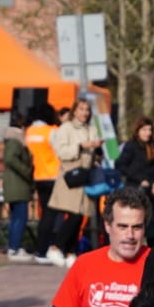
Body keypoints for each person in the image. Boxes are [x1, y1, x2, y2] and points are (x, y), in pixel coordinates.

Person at [40, 98, 103, 268]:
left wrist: (97, 152)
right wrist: (81, 146)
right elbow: (61, 152)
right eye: (81, 109)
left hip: (86, 177)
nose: (85, 113)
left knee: (81, 215)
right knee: (74, 215)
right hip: (71, 176)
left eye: (87, 110)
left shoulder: (92, 128)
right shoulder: (66, 128)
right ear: (75, 110)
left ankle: (70, 252)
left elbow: (93, 152)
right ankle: (56, 246)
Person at [115, 118, 154, 246]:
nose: (148, 133)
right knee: (137, 225)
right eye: (144, 130)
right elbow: (120, 165)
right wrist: (139, 180)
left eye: (150, 129)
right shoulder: (131, 146)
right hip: (135, 191)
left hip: (151, 194)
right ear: (137, 131)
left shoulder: (152, 146)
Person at [25, 105, 61, 260]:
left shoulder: (29, 132)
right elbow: (60, 151)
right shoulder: (52, 131)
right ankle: (47, 248)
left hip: (38, 176)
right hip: (54, 175)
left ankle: (41, 248)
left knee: (45, 214)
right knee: (52, 215)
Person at [1, 113, 35, 262]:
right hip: (18, 185)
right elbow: (10, 159)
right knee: (20, 218)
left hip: (15, 185)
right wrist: (27, 170)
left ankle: (13, 247)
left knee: (16, 218)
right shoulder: (16, 141)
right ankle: (14, 248)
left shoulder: (11, 140)